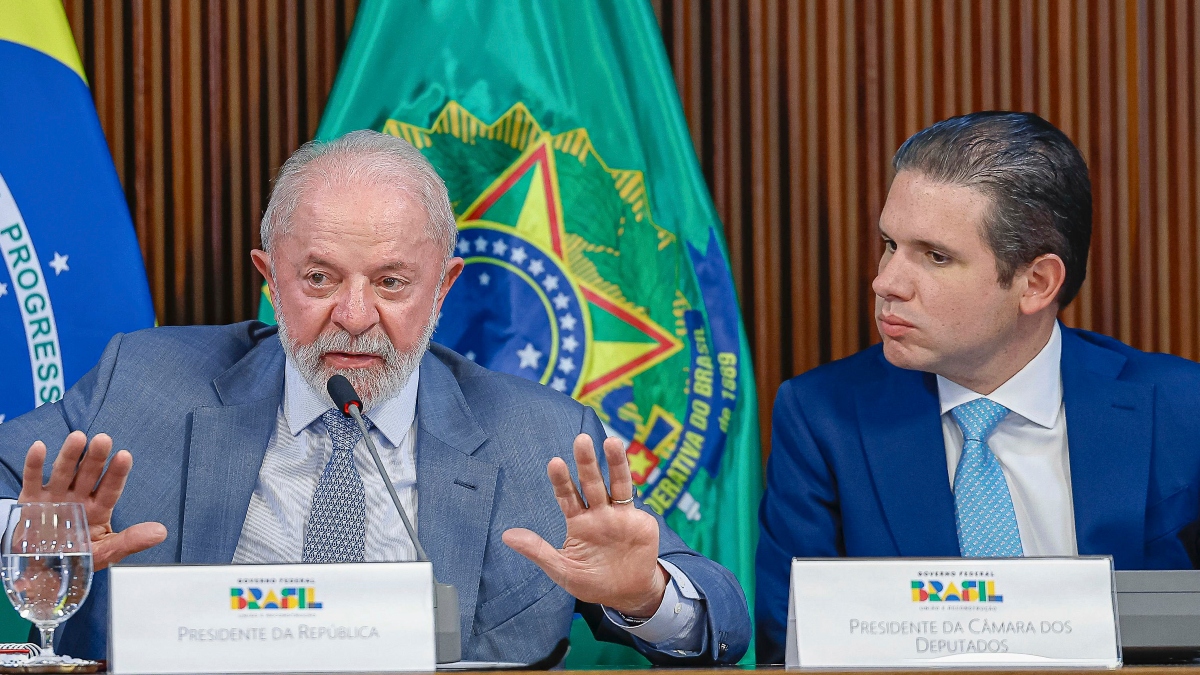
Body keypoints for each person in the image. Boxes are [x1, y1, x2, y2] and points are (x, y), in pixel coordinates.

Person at [0, 131, 750, 664]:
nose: (355, 316)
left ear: (443, 288)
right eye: (319, 279)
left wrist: (647, 595)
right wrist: (33, 534)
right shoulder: (145, 384)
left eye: (391, 282)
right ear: (270, 279)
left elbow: (723, 618)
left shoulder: (539, 438)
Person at [756, 111, 1200, 662]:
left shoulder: (1182, 409)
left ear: (1036, 283)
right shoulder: (823, 417)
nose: (885, 282)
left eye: (936, 256)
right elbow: (788, 645)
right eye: (890, 244)